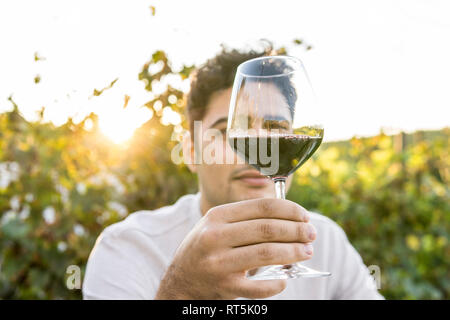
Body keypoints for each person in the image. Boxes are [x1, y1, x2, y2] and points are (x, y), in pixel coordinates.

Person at [82, 45, 384, 300]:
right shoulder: (128, 248)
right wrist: (181, 292)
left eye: (276, 128)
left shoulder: (324, 241)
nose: (260, 147)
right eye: (229, 130)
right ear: (190, 151)